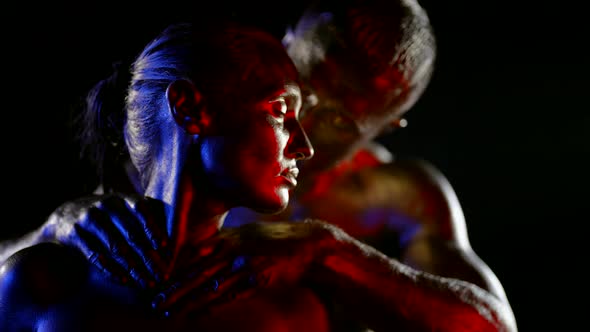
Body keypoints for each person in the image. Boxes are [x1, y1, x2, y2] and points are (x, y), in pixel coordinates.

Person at [0, 17, 515, 332]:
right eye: (293, 91)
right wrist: (48, 231)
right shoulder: (155, 129)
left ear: (386, 122)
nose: (307, 132)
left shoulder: (395, 201)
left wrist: (329, 252)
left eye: (337, 117)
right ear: (290, 38)